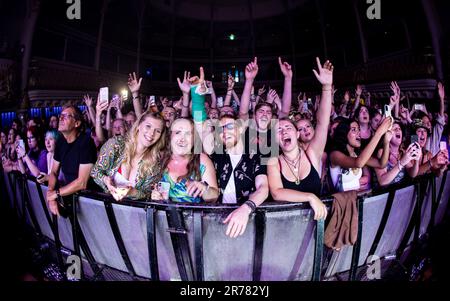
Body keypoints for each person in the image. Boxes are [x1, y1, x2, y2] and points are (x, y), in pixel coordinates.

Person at [267, 57, 333, 221]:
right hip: (288, 229)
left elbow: (323, 123)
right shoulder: (274, 162)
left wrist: (326, 87)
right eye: (279, 130)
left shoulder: (312, 154)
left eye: (288, 128)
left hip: (316, 225)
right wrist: (310, 197)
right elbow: (277, 192)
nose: (283, 132)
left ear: (296, 134)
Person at [210, 116, 269, 238]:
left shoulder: (256, 156)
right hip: (218, 224)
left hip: (248, 225)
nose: (224, 132)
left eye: (229, 126)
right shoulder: (215, 157)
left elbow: (263, 188)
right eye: (220, 129)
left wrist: (246, 209)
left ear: (241, 129)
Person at [91, 112, 167, 200]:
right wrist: (105, 180)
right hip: (106, 208)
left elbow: (147, 194)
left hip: (131, 212)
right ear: (138, 126)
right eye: (148, 126)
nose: (151, 133)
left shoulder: (154, 164)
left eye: (157, 131)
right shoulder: (116, 145)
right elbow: (95, 172)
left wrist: (133, 192)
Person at [46, 105, 97, 216]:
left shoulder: (86, 143)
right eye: (61, 115)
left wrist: (56, 193)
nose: (61, 118)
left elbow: (82, 182)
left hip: (91, 201)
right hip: (72, 198)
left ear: (77, 123)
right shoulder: (60, 142)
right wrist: (50, 193)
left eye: (67, 116)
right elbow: (54, 172)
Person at [152, 118, 219, 203]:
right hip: (162, 215)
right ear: (170, 136)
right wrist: (154, 196)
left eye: (188, 134)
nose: (182, 139)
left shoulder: (202, 160)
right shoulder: (159, 158)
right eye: (178, 132)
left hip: (193, 215)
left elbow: (214, 197)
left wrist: (205, 189)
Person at [329, 117, 393, 192]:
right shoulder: (334, 154)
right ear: (344, 133)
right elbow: (358, 163)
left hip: (357, 199)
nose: (358, 133)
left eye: (359, 129)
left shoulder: (358, 154)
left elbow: (381, 164)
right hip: (343, 202)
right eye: (353, 130)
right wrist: (378, 133)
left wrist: (386, 143)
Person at [374, 122, 421, 186]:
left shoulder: (402, 152)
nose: (398, 130)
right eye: (394, 128)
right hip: (384, 194)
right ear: (387, 135)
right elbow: (382, 181)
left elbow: (412, 174)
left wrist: (416, 160)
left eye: (399, 128)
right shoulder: (381, 152)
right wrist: (401, 163)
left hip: (398, 194)